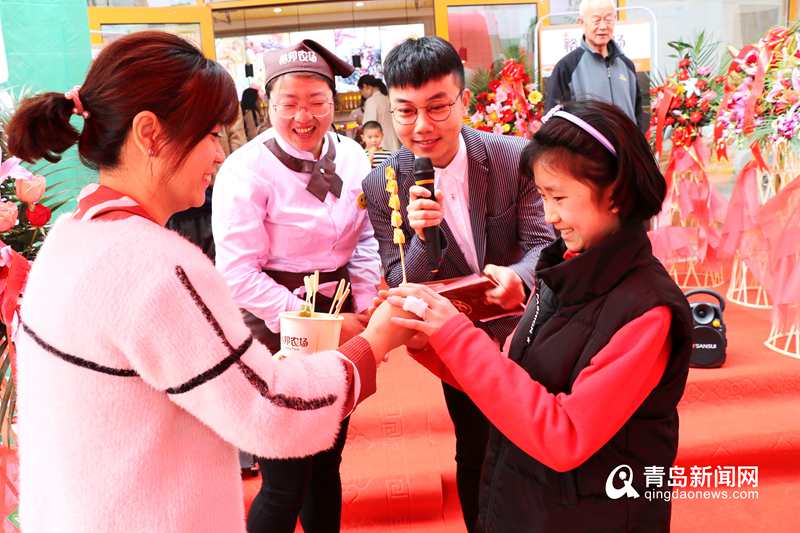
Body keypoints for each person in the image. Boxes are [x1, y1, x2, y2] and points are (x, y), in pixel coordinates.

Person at [8, 31, 414, 533]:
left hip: (86, 512)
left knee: (320, 476)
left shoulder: (69, 237)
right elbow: (270, 411)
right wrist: (373, 343)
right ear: (149, 133)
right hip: (151, 515)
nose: (219, 155)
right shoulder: (158, 267)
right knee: (287, 485)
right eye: (210, 135)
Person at [380, 100, 693, 532]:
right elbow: (515, 383)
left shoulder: (647, 311)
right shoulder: (564, 267)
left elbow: (565, 435)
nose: (550, 216)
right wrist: (433, 343)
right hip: (530, 501)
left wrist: (455, 335)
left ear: (617, 193)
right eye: (543, 197)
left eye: (559, 197)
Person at [361, 36, 554, 533]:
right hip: (458, 344)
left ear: (463, 101)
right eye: (406, 112)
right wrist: (423, 235)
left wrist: (518, 277)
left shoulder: (514, 157)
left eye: (437, 107)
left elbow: (545, 244)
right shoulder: (384, 184)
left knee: (541, 446)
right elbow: (402, 281)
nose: (421, 127)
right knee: (476, 451)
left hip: (529, 329)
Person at [212, 39, 382, 533]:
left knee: (327, 461)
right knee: (285, 478)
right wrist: (313, 322)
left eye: (317, 102)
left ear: (333, 102)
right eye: (289, 104)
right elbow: (237, 273)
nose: (303, 117)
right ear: (269, 104)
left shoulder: (353, 156)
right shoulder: (245, 169)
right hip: (273, 324)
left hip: (342, 310)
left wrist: (364, 306)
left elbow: (366, 238)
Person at [544, 0, 646, 131]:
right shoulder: (567, 67)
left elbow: (637, 113)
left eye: (608, 19)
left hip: (626, 143)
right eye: (596, 20)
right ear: (582, 22)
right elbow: (553, 120)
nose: (603, 26)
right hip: (587, 144)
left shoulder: (627, 66)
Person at [358, 74, 400, 151]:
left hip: (381, 146)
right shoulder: (388, 98)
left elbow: (369, 127)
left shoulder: (371, 101)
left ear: (365, 86)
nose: (362, 94)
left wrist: (361, 121)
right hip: (395, 143)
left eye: (361, 91)